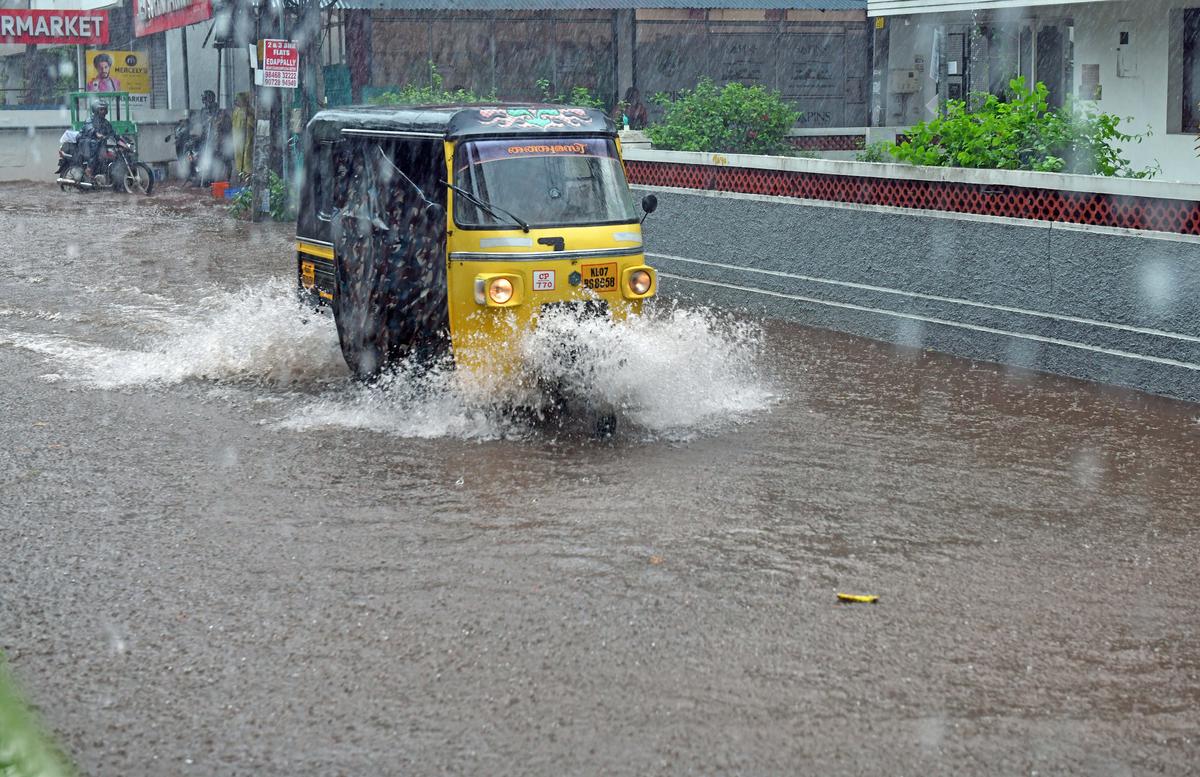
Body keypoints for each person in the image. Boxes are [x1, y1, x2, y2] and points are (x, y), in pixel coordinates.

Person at [80, 102, 114, 179]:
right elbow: (89, 128)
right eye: (101, 109)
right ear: (95, 110)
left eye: (104, 109)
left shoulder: (105, 122)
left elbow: (112, 132)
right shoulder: (90, 119)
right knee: (95, 143)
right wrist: (96, 133)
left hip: (98, 141)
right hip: (85, 140)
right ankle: (89, 168)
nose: (103, 112)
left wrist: (120, 139)